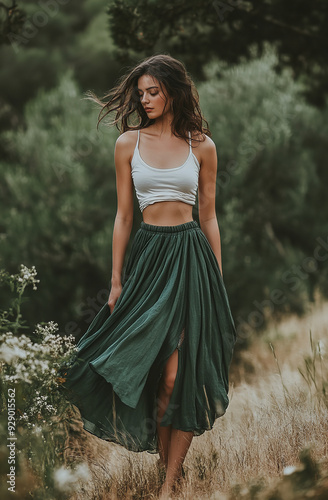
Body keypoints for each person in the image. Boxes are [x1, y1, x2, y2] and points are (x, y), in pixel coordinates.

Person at [61, 54, 237, 499]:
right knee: (156, 369)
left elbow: (210, 217)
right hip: (148, 258)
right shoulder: (127, 143)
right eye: (141, 93)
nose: (145, 99)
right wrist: (116, 280)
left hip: (191, 257)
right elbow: (123, 218)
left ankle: (169, 482)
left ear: (174, 91)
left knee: (181, 374)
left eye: (153, 91)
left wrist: (216, 278)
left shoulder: (202, 146)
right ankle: (167, 465)